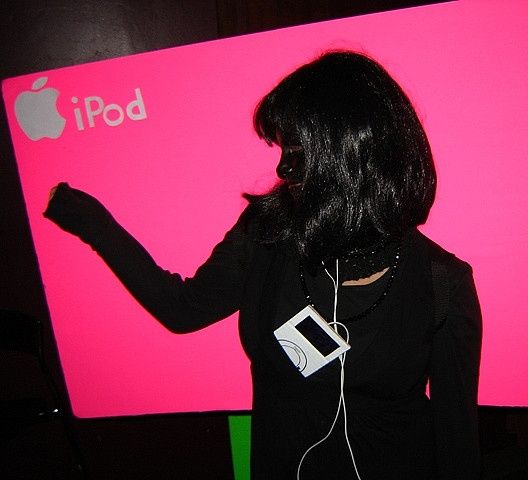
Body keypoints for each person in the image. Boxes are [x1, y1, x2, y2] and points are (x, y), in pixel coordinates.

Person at [45, 51, 482, 479]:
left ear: (353, 156)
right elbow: (182, 309)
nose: (283, 167)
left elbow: (457, 442)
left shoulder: (442, 283)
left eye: (297, 150)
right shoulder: (267, 235)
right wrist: (92, 223)